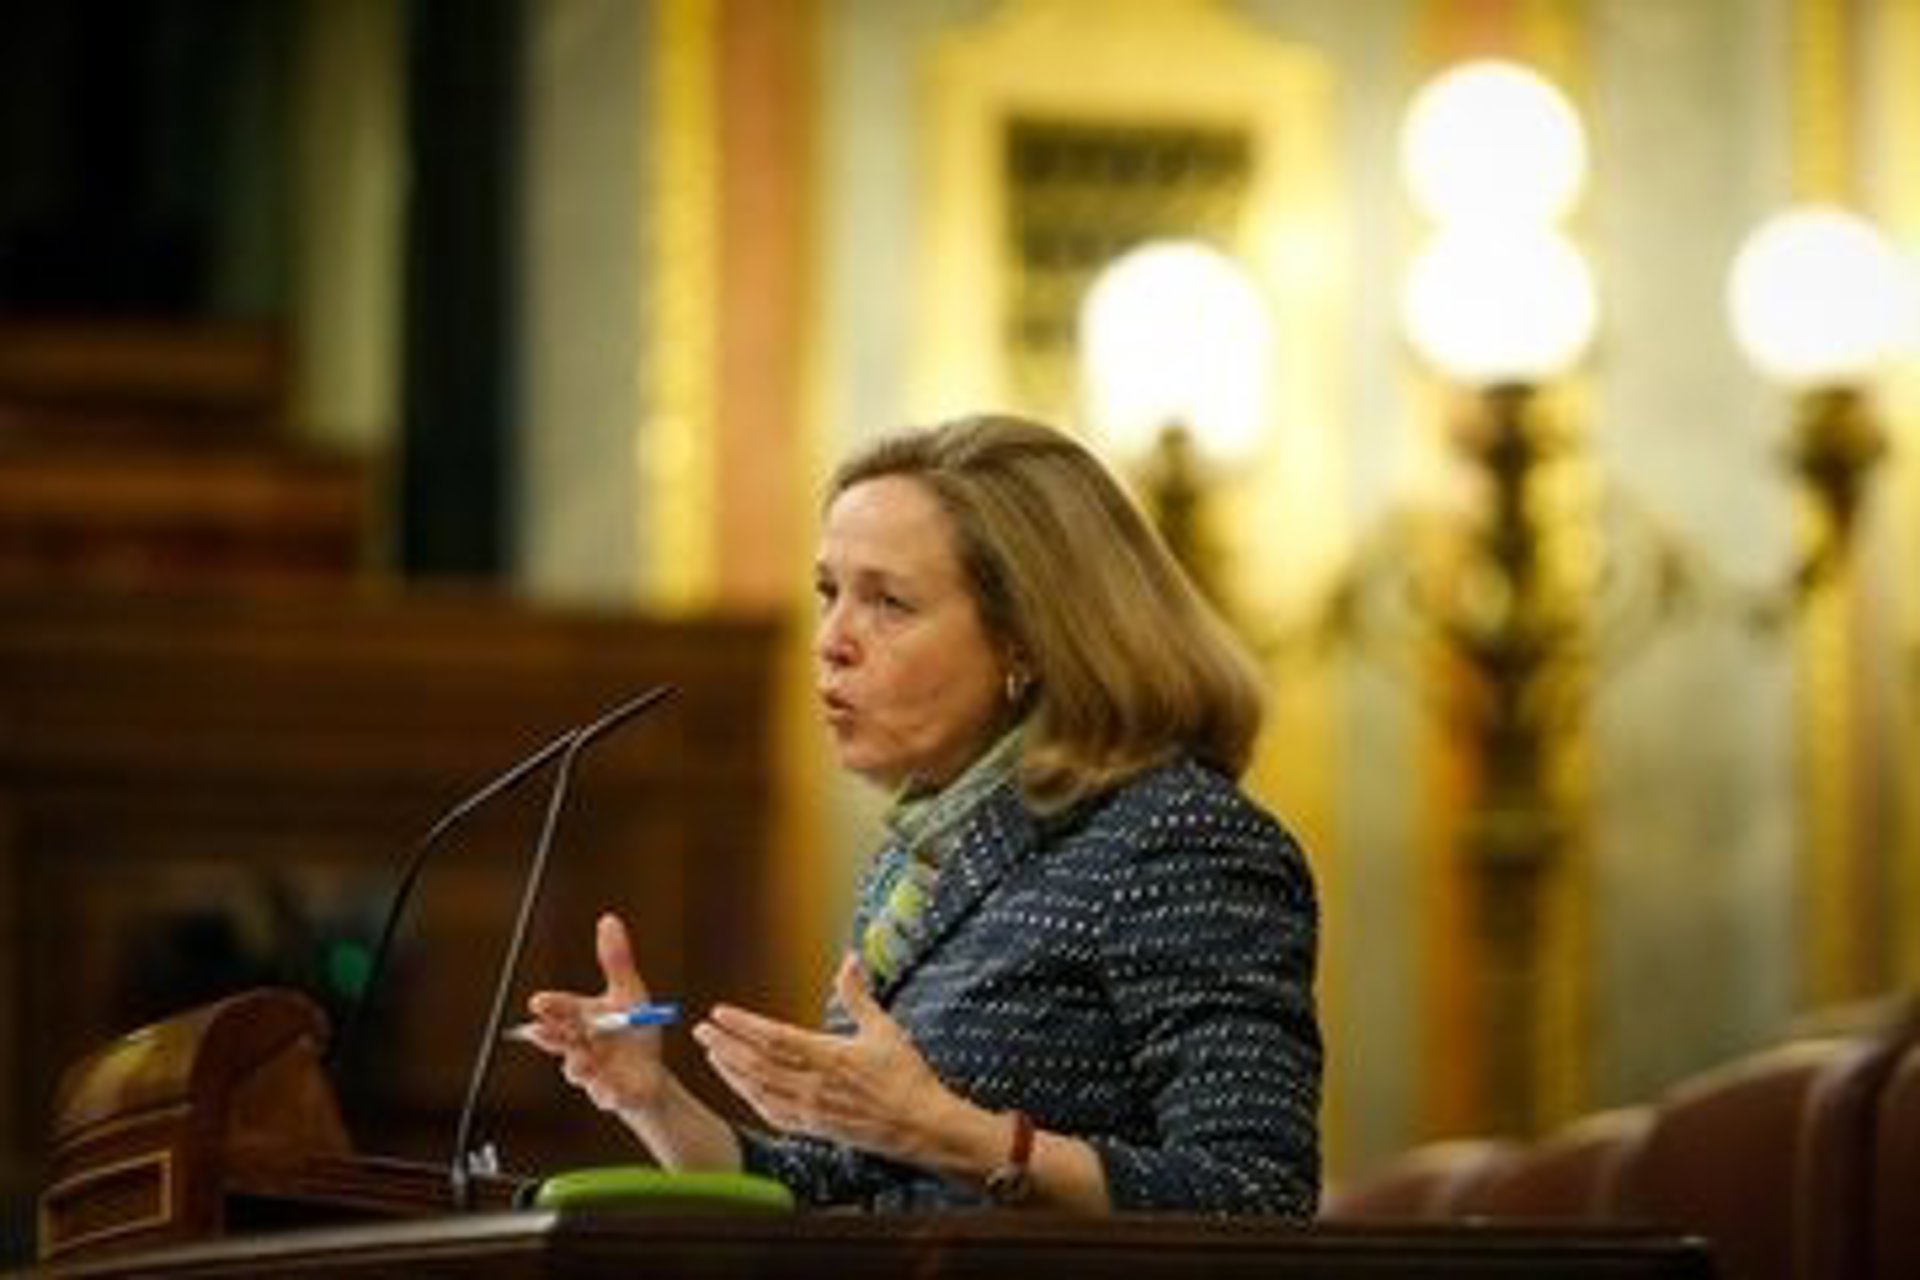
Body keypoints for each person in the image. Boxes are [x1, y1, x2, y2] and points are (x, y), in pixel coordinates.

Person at [520, 413, 1322, 1214]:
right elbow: (840, 1189)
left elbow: (1255, 1196)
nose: (832, 641)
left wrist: (945, 1132)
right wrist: (650, 1099)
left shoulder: (1179, 841)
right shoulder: (924, 859)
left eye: (889, 603)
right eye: (829, 592)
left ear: (1026, 639)